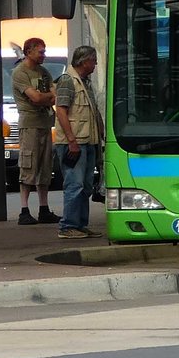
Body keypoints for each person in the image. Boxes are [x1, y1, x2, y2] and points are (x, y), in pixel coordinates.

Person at [54, 46, 104, 239]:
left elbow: (93, 111)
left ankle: (80, 224)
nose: (95, 64)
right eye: (93, 60)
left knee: (86, 185)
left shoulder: (85, 82)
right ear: (84, 61)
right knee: (74, 184)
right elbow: (61, 111)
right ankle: (68, 226)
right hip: (74, 142)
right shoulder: (68, 81)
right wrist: (71, 140)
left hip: (88, 141)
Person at [11, 37, 59, 225]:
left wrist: (44, 97)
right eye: (40, 51)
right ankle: (24, 210)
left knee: (45, 167)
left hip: (45, 123)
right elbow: (36, 98)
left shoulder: (44, 72)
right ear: (29, 51)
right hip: (29, 124)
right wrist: (46, 97)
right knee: (28, 165)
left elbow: (52, 96)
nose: (43, 55)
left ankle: (43, 208)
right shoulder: (20, 73)